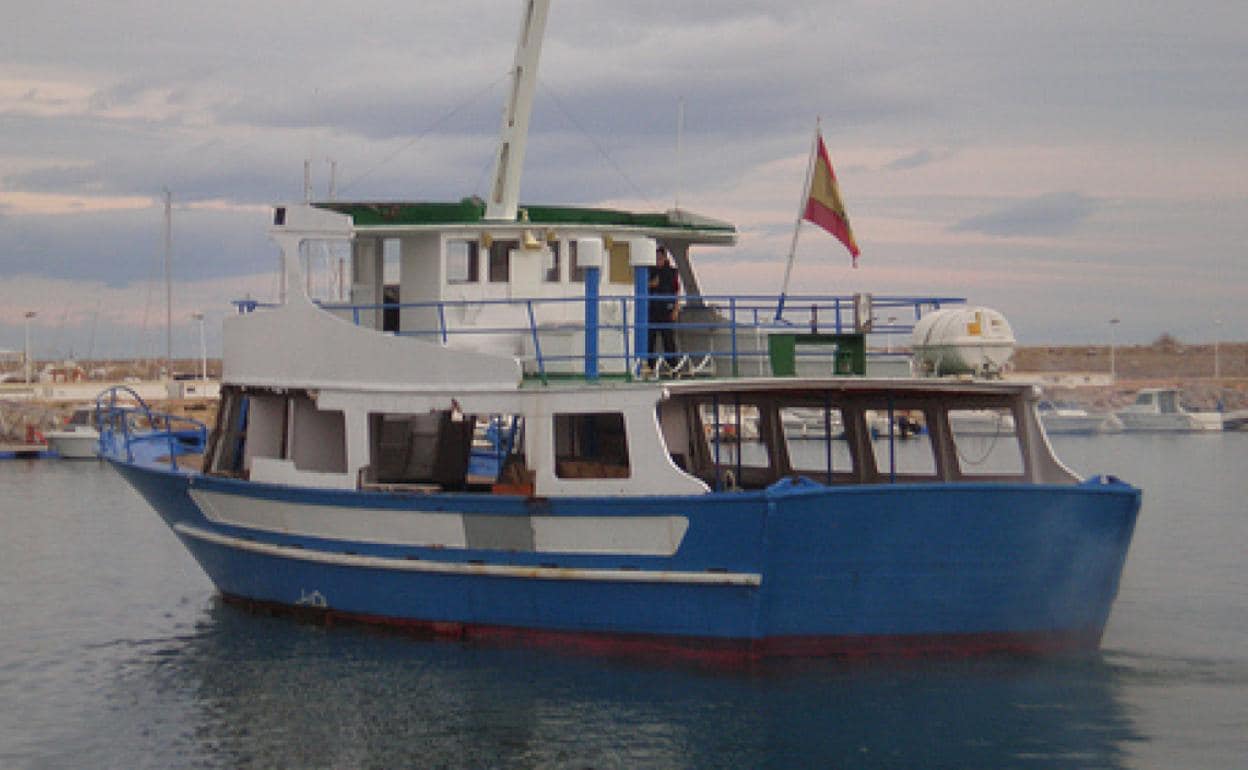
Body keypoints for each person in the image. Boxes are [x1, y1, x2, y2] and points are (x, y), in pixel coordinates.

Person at [647, 246, 681, 372]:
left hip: (667, 310)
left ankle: (673, 368)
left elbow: (677, 291)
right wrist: (651, 284)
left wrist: (676, 309)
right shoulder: (648, 271)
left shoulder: (672, 272)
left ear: (665, 258)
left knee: (669, 341)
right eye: (656, 258)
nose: (658, 260)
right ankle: (649, 367)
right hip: (652, 310)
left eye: (660, 258)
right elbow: (639, 286)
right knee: (650, 340)